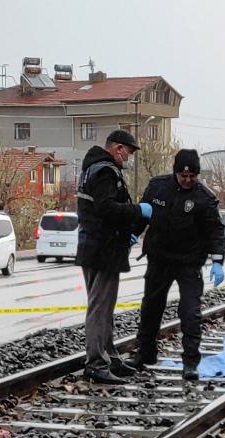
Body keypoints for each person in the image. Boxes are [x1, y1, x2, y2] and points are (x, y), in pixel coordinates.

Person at [126, 149, 225, 380]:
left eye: (192, 176)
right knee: (151, 307)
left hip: (189, 262)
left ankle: (190, 362)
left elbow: (215, 231)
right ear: (176, 172)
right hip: (159, 257)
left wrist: (217, 260)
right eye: (183, 175)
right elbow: (144, 214)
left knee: (190, 313)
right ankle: (146, 353)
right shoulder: (158, 187)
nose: (188, 180)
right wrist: (132, 235)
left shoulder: (204, 198)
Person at [76, 130, 154, 385]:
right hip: (103, 248)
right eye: (128, 154)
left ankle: (109, 357)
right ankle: (97, 364)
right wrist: (137, 210)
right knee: (100, 308)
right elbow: (107, 208)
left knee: (104, 307)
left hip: (95, 246)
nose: (128, 159)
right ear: (118, 148)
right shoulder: (105, 171)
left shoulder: (93, 168)